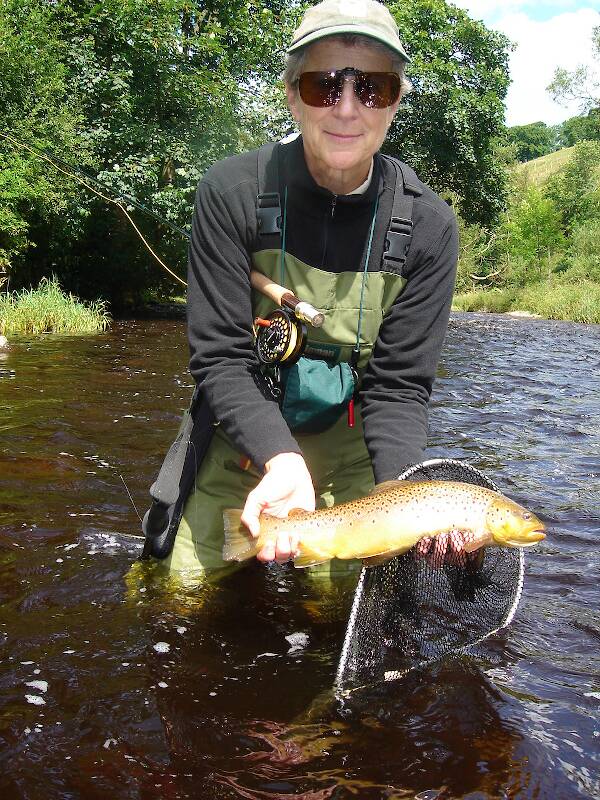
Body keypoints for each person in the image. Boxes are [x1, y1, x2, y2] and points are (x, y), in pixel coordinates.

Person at [163, 0, 461, 578]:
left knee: (346, 603)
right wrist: (282, 460)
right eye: (324, 85)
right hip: (244, 426)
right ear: (292, 95)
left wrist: (403, 498)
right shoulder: (232, 193)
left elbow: (399, 389)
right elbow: (220, 358)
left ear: (396, 100)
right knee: (180, 596)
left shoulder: (429, 227)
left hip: (354, 442)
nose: (347, 109)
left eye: (371, 87)